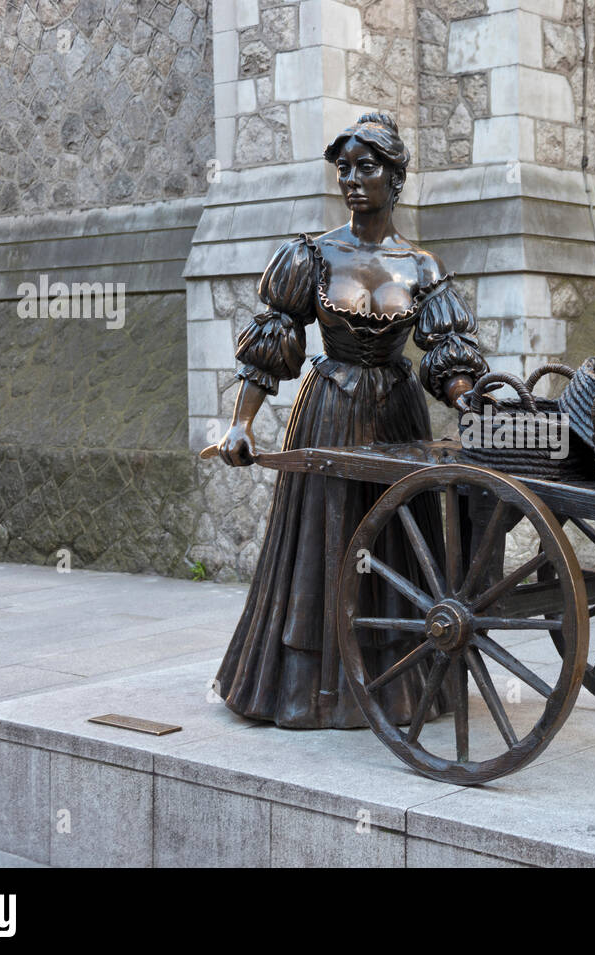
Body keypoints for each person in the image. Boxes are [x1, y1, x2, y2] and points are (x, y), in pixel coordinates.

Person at [212, 112, 488, 728]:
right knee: (326, 540)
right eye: (345, 169)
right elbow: (272, 344)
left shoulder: (421, 266)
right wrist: (241, 424)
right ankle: (310, 691)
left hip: (397, 416)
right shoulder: (311, 255)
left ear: (396, 179)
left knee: (394, 540)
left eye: (368, 167)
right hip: (329, 411)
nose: (353, 180)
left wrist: (467, 397)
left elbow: (447, 354)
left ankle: (396, 686)